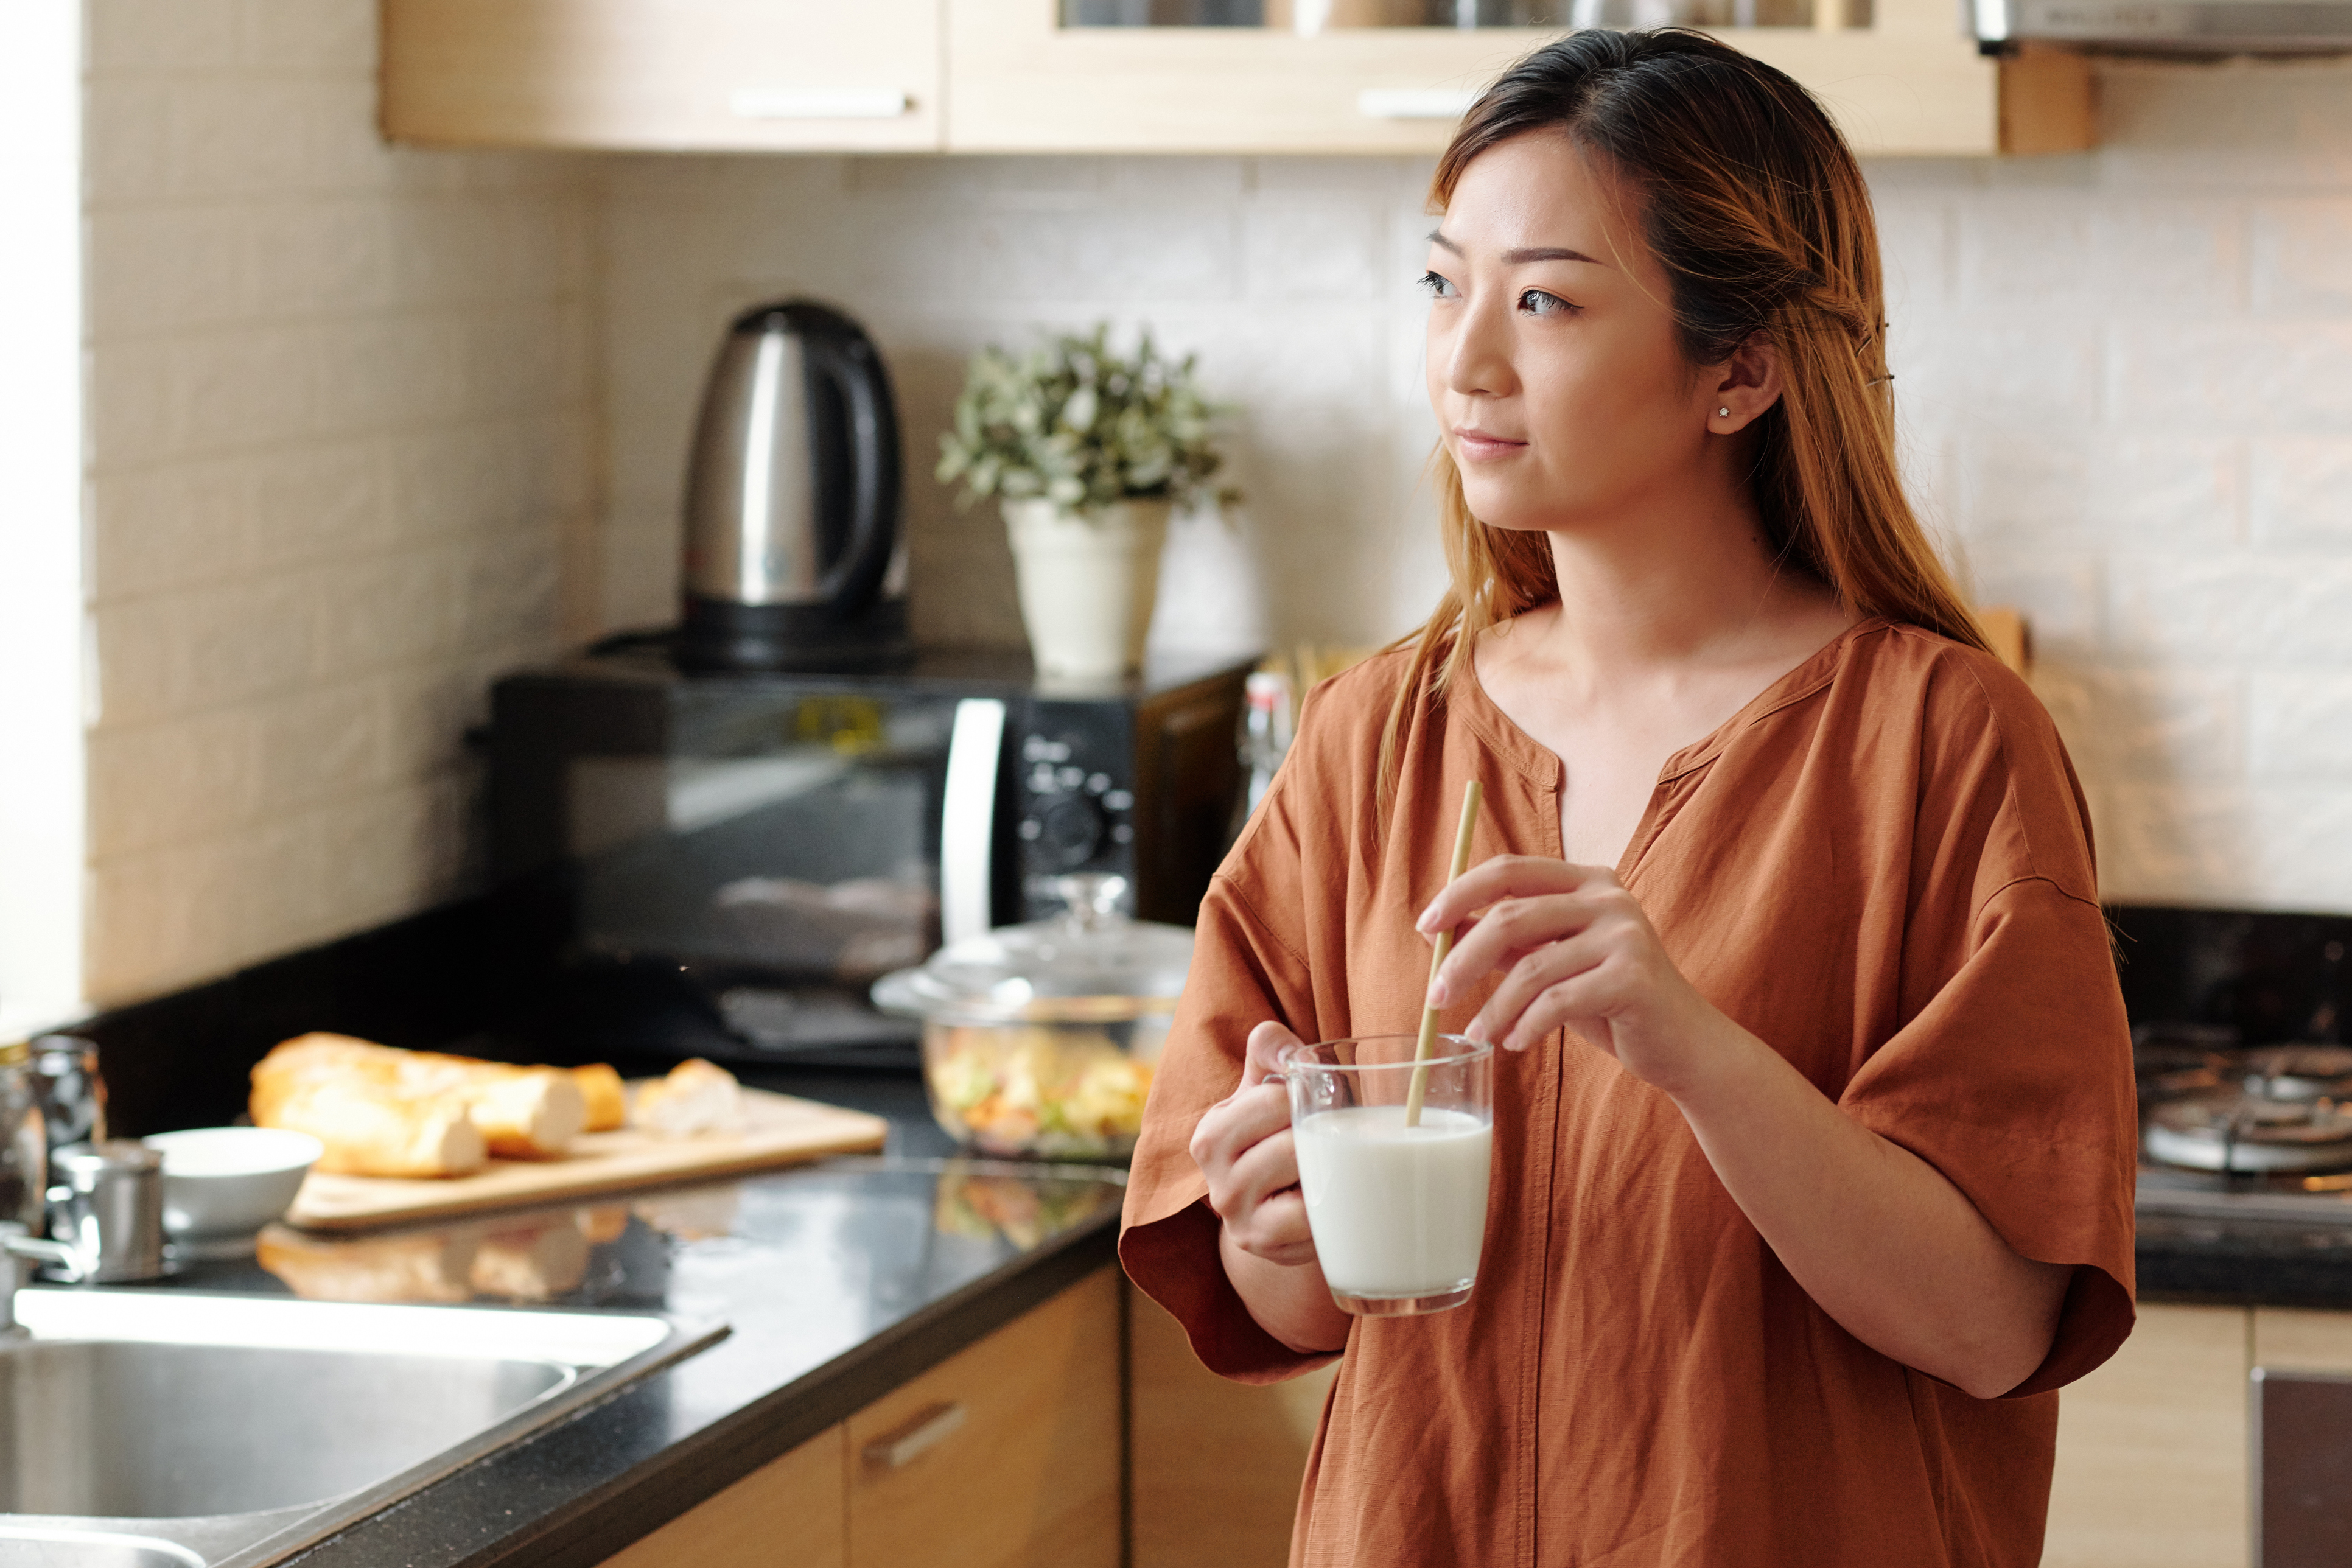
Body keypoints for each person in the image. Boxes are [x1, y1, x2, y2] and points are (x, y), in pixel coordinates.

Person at [1119, 26, 2137, 1568]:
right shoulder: (1366, 739)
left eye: (1543, 300)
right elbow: (1297, 1311)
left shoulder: (1945, 741)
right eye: (1444, 282)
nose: (1465, 360)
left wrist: (1695, 1052)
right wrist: (1275, 1225)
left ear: (1742, 369)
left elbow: (1997, 1325)